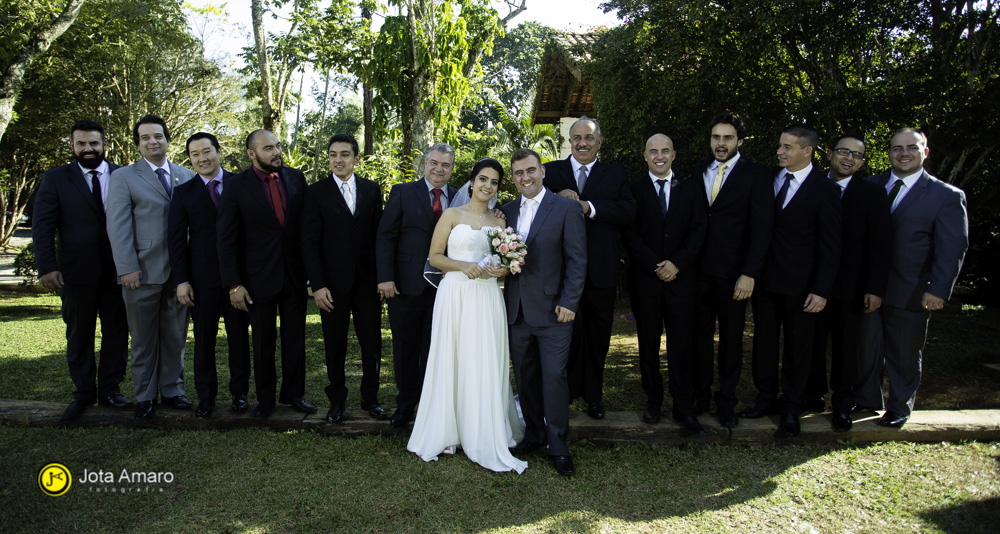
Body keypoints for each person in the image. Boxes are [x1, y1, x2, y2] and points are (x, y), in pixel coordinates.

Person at [407, 158, 527, 473]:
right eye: (483, 179)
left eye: (495, 182)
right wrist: (462, 265)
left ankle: (482, 429)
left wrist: (500, 270)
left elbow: (503, 265)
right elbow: (434, 257)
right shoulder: (451, 215)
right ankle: (447, 430)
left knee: (482, 359)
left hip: (487, 297)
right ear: (471, 182)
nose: (488, 186)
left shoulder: (500, 224)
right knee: (452, 357)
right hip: (454, 293)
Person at [740, 124, 841, 437]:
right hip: (766, 283)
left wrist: (822, 290)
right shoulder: (767, 179)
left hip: (803, 288)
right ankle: (765, 398)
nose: (780, 152)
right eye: (780, 146)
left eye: (787, 147)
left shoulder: (825, 190)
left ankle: (792, 407)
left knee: (799, 350)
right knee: (764, 346)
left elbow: (831, 246)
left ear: (807, 151)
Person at [863, 128, 968, 428]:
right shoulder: (871, 186)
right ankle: (868, 401)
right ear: (889, 153)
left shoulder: (945, 196)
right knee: (866, 349)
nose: (903, 153)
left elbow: (953, 247)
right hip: (869, 288)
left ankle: (898, 408)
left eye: (912, 147)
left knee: (904, 353)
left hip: (912, 289)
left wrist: (938, 289)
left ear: (925, 151)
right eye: (897, 148)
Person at [32, 120, 131, 421]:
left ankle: (111, 391)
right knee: (79, 335)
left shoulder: (122, 175)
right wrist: (47, 266)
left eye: (94, 144)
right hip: (75, 274)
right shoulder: (56, 178)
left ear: (104, 144)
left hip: (119, 272)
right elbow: (43, 226)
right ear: (72, 146)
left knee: (117, 333)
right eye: (81, 144)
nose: (88, 149)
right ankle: (83, 393)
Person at [217, 129, 317, 419]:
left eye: (277, 146)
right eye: (268, 149)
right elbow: (226, 238)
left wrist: (311, 274)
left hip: (294, 276)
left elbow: (305, 230)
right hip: (257, 279)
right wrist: (234, 284)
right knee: (262, 341)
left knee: (295, 338)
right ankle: (265, 400)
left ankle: (294, 394)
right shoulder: (236, 186)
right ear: (252, 154)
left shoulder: (296, 178)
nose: (276, 152)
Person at [542, 116, 635, 419]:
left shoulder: (616, 174)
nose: (582, 143)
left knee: (598, 337)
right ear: (569, 141)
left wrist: (589, 206)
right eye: (577, 138)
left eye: (589, 138)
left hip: (601, 270)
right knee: (562, 337)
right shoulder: (551, 171)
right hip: (560, 272)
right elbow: (532, 201)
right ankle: (563, 395)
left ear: (599, 142)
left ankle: (594, 396)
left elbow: (628, 210)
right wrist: (556, 197)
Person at [502, 149, 587, 476]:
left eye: (531, 170)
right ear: (514, 177)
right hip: (517, 310)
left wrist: (569, 301)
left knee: (554, 377)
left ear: (543, 172)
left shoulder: (565, 209)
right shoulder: (506, 213)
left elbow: (577, 260)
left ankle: (559, 444)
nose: (526, 177)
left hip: (555, 312)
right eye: (519, 173)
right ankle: (534, 433)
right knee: (525, 378)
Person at [106, 114, 195, 420]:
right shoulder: (124, 177)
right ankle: (145, 395)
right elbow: (117, 226)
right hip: (141, 272)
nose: (152, 142)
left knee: (175, 336)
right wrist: (126, 267)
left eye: (157, 136)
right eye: (145, 138)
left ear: (167, 140)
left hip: (181, 274)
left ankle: (173, 390)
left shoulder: (186, 174)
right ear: (138, 144)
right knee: (143, 341)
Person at [689, 112, 774, 428]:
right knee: (698, 339)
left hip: (735, 276)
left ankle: (726, 401)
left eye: (727, 138)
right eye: (716, 137)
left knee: (731, 342)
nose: (720, 143)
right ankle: (701, 396)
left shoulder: (757, 175)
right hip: (698, 275)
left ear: (740, 140)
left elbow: (762, 229)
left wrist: (750, 273)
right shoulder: (699, 171)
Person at [623, 134, 708, 434]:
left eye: (665, 151)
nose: (659, 156)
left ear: (674, 155)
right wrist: (655, 265)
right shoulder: (633, 190)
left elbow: (699, 231)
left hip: (681, 282)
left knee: (682, 346)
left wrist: (677, 264)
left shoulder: (691, 188)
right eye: (653, 151)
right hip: (647, 282)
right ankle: (653, 402)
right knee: (648, 345)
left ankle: (684, 407)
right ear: (645, 156)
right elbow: (630, 234)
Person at [807, 135, 892, 432]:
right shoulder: (811, 185)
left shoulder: (872, 194)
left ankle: (842, 405)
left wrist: (875, 288)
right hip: (811, 284)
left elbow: (880, 246)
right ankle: (811, 396)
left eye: (856, 155)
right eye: (843, 151)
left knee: (846, 350)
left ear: (862, 163)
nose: (848, 158)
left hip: (850, 288)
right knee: (810, 345)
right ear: (829, 153)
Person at [302, 134, 386, 424]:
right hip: (331, 286)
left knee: (372, 344)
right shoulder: (315, 192)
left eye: (345, 154)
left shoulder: (372, 190)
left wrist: (381, 278)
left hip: (367, 283)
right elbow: (309, 242)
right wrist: (317, 284)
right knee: (334, 345)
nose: (338, 159)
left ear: (356, 158)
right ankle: (336, 401)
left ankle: (370, 399)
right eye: (333, 154)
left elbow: (379, 238)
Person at [167, 132, 252, 417]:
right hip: (201, 281)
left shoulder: (241, 184)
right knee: (203, 340)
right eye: (194, 154)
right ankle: (206, 396)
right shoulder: (183, 193)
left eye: (207, 151)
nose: (202, 158)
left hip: (238, 281)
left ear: (218, 151)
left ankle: (239, 394)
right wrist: (181, 280)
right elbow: (176, 241)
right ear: (190, 159)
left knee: (239, 338)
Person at [376, 143, 459, 428]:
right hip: (405, 286)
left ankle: (431, 405)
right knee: (406, 347)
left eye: (445, 165)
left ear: (451, 168)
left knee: (437, 347)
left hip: (446, 288)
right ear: (425, 163)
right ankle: (405, 404)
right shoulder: (403, 192)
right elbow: (385, 237)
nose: (439, 169)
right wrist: (385, 277)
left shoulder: (461, 199)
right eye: (434, 163)